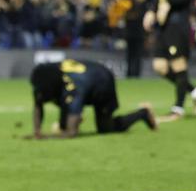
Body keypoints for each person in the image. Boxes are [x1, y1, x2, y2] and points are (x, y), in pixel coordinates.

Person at [29, 59, 158, 138]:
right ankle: (72, 118)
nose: (38, 94)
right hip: (84, 79)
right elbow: (38, 102)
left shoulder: (73, 86)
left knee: (106, 128)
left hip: (102, 82)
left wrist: (50, 137)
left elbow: (71, 133)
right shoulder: (47, 77)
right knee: (64, 121)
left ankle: (143, 113)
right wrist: (37, 132)